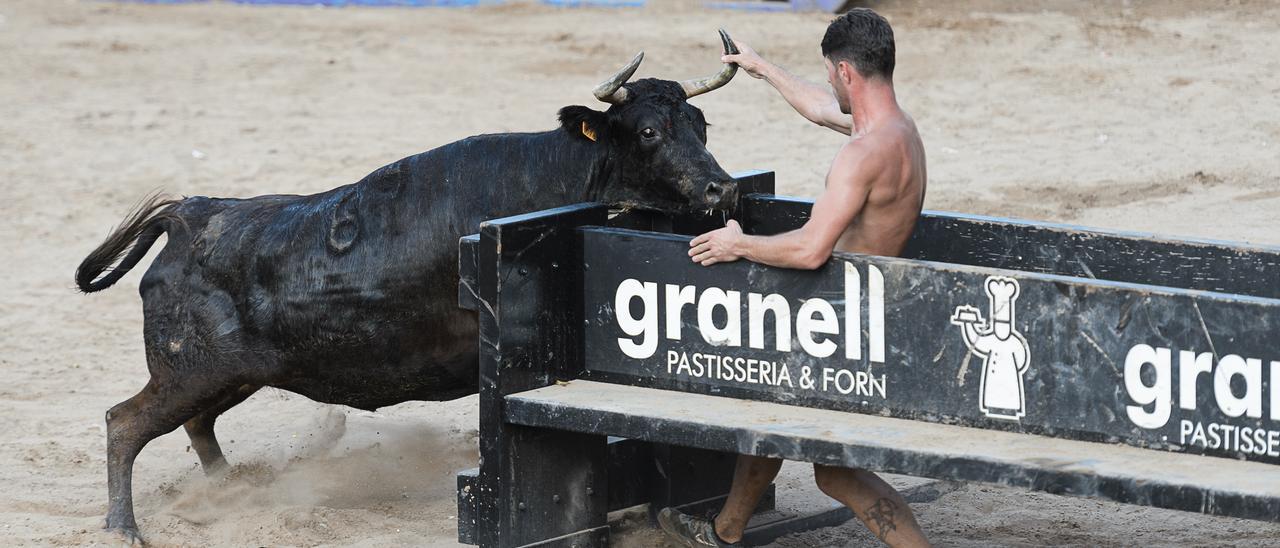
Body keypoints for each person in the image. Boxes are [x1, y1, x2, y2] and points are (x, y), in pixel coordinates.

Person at [656, 8, 930, 548]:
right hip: (860, 311)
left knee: (833, 472)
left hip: (842, 326)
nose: (829, 81)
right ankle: (727, 532)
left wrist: (737, 244)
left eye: (831, 72)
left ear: (847, 71)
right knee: (770, 420)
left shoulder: (862, 155)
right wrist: (762, 68)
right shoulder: (898, 131)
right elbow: (824, 108)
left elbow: (809, 249)